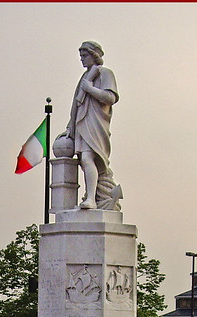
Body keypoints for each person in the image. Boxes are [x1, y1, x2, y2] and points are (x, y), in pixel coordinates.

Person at [58, 41, 121, 210]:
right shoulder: (85, 76)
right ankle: (93, 195)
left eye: (84, 56)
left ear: (94, 55)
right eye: (81, 56)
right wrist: (70, 127)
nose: (82, 59)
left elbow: (110, 98)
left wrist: (90, 89)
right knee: (84, 160)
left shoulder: (105, 73)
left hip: (96, 123)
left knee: (88, 158)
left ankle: (92, 199)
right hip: (82, 121)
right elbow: (76, 105)